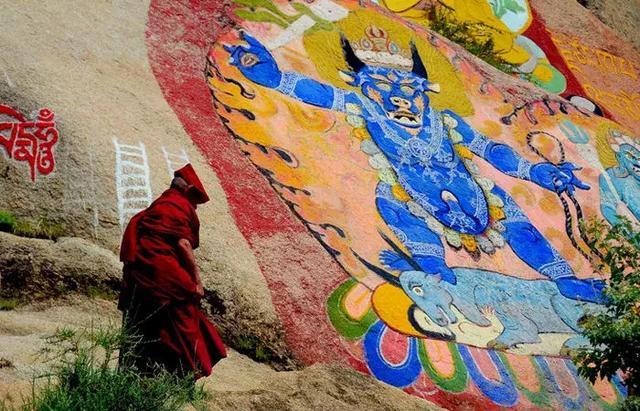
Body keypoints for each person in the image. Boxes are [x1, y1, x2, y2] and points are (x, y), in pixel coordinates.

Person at [118, 163, 226, 380]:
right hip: (165, 275)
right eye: (195, 199)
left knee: (143, 320)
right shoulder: (179, 206)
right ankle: (182, 372)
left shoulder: (160, 204)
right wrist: (196, 281)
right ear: (187, 190)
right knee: (184, 318)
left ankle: (135, 371)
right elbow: (183, 244)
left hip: (142, 273)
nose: (195, 206)